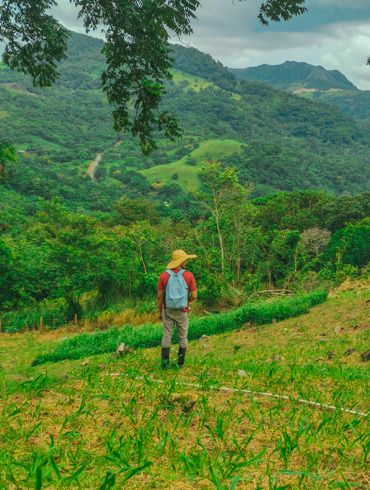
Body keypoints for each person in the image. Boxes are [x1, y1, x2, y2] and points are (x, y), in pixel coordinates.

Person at [157, 249, 197, 369]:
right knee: (183, 337)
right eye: (185, 260)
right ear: (181, 261)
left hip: (168, 310)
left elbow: (159, 296)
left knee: (167, 336)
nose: (186, 261)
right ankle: (180, 364)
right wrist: (187, 301)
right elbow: (194, 295)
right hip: (183, 311)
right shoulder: (189, 275)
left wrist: (160, 311)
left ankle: (164, 364)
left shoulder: (164, 276)